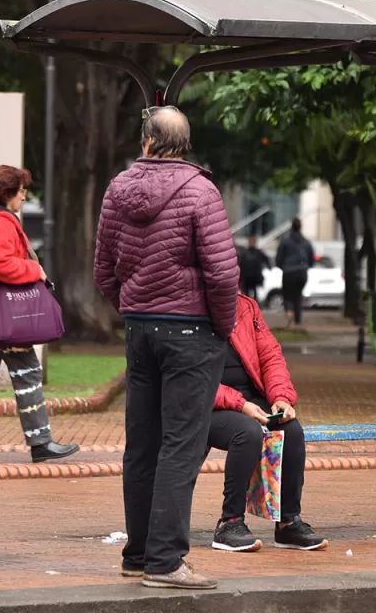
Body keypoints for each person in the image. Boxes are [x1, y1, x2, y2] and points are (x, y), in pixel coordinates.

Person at [94, 106, 238, 590]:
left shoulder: (118, 188)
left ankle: (138, 554)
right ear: (185, 143)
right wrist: (221, 326)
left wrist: (133, 306)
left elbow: (103, 270)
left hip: (141, 331)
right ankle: (165, 562)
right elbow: (222, 273)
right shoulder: (201, 190)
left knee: (142, 446)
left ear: (147, 141)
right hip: (192, 333)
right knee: (181, 446)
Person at [0, 166, 79, 465]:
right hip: (4, 317)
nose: (24, 196)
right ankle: (41, 441)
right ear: (8, 194)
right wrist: (34, 269)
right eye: (21, 191)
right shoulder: (2, 223)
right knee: (27, 372)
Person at [207, 294, 327, 553]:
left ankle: (288, 524)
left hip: (250, 402)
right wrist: (241, 405)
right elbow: (189, 378)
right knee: (247, 432)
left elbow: (271, 356)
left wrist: (281, 398)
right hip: (204, 404)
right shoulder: (188, 310)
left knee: (291, 431)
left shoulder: (245, 307)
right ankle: (230, 523)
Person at [274, 218, 314, 328]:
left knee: (287, 294)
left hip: (288, 271)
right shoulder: (306, 242)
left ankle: (289, 312)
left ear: (291, 227)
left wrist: (283, 266)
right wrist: (305, 267)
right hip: (302, 272)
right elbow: (311, 259)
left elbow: (278, 259)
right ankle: (298, 321)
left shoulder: (285, 241)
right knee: (298, 295)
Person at [237, 236, 271, 302]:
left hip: (247, 276)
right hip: (254, 276)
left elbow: (240, 264)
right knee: (254, 292)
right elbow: (266, 259)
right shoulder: (258, 252)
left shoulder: (244, 252)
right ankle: (254, 305)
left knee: (248, 293)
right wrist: (269, 267)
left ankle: (249, 306)